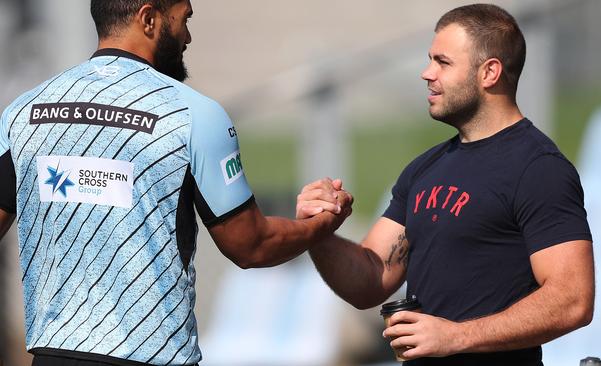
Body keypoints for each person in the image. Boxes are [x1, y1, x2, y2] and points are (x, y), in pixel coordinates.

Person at [0, 1, 351, 365]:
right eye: (184, 20)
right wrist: (323, 223)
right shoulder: (194, 115)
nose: (188, 37)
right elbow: (251, 245)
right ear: (149, 19)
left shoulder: (23, 112)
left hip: (53, 355)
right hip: (151, 356)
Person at [296, 4, 594, 365]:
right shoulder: (424, 169)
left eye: (443, 62)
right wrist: (318, 232)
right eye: (429, 60)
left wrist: (456, 336)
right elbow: (370, 278)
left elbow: (573, 298)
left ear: (490, 72)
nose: (426, 73)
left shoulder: (538, 168)